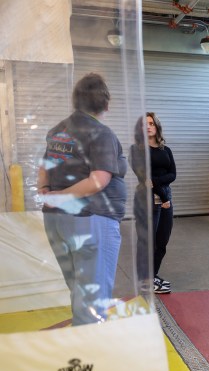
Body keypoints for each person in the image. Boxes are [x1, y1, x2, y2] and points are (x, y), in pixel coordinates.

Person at [37, 73, 127, 325]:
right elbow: (98, 180)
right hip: (90, 219)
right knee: (92, 296)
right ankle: (90, 353)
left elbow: (44, 167)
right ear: (106, 104)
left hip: (56, 221)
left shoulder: (58, 130)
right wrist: (62, 197)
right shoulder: (101, 133)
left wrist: (46, 190)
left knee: (78, 286)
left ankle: (82, 340)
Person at [140, 112, 176, 294]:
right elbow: (146, 179)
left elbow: (173, 174)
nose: (148, 126)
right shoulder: (140, 151)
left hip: (166, 198)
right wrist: (164, 198)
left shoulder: (165, 150)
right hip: (150, 200)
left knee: (162, 241)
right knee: (150, 242)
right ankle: (146, 279)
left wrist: (162, 191)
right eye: (145, 124)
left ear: (157, 127)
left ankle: (152, 276)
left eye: (151, 123)